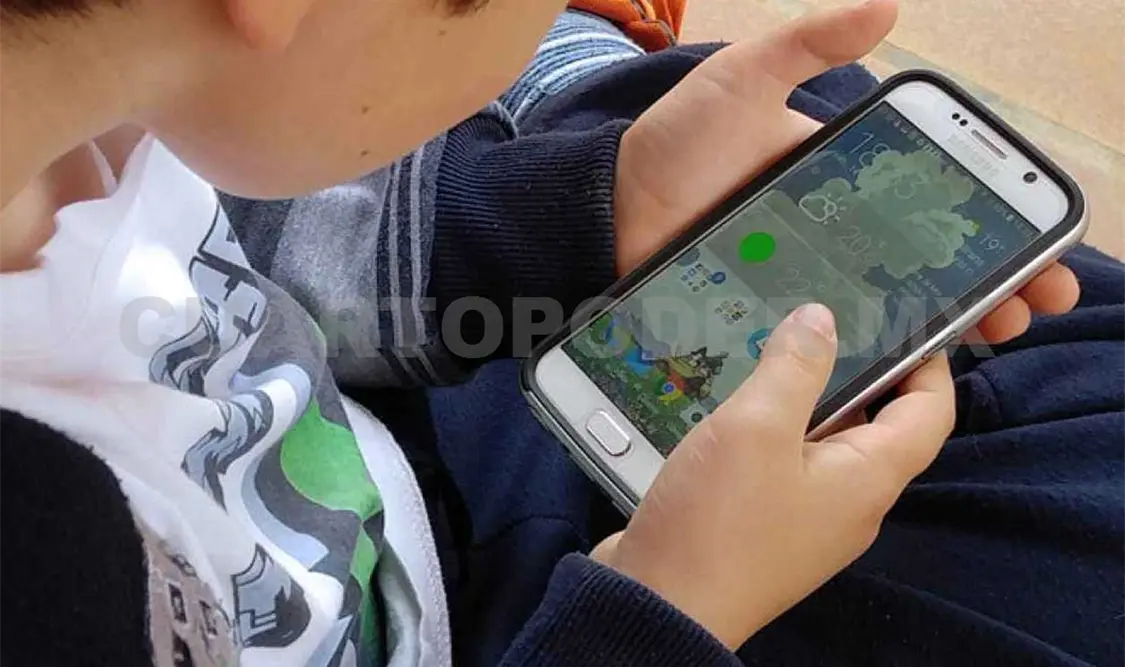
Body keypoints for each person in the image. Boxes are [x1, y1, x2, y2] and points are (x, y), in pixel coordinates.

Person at [0, 2, 1120, 667]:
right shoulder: (48, 576)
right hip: (531, 624)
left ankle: (579, 84)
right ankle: (582, 68)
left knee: (809, 134)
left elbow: (255, 238)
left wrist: (581, 211)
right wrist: (667, 609)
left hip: (394, 466)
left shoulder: (92, 108)